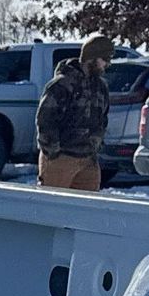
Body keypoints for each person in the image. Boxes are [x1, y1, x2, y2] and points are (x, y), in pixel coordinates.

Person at [35, 34, 115, 191]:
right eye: (104, 59)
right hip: (60, 159)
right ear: (91, 57)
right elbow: (45, 119)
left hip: (88, 160)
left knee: (88, 205)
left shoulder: (101, 87)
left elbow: (103, 119)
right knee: (52, 203)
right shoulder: (62, 84)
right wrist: (53, 152)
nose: (107, 64)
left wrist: (95, 145)